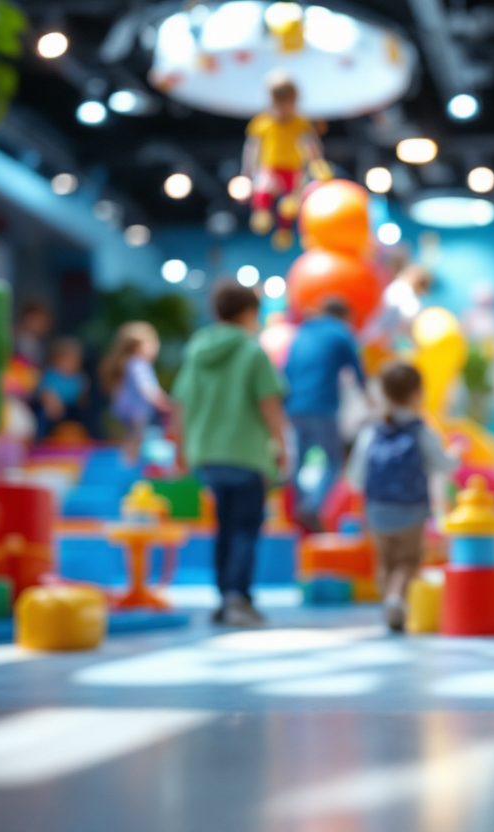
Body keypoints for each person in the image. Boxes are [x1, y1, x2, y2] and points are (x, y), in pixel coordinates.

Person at [172, 281, 288, 627]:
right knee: (246, 528)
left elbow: (180, 402)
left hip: (207, 453)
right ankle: (239, 596)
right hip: (246, 453)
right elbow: (269, 402)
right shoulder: (253, 351)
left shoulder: (197, 350)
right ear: (250, 312)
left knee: (223, 526)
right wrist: (280, 444)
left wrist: (181, 448)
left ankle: (224, 597)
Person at [346, 362, 458, 631]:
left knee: (385, 563)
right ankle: (398, 600)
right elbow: (444, 466)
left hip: (377, 510)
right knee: (408, 561)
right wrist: (456, 455)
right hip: (411, 510)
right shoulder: (421, 430)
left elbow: (355, 478)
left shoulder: (370, 432)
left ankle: (390, 604)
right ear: (416, 394)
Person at [284, 298, 367, 532]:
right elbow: (357, 370)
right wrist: (370, 399)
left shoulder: (302, 333)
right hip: (322, 406)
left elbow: (287, 370)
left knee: (298, 461)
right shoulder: (340, 332)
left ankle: (299, 509)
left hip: (294, 406)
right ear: (343, 316)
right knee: (333, 462)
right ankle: (312, 506)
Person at [242, 70, 331, 251]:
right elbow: (252, 148)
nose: (284, 107)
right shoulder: (262, 122)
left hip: (293, 168)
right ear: (272, 101)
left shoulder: (301, 123)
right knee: (263, 190)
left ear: (294, 101)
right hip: (270, 168)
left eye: (288, 102)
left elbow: (311, 145)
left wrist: (317, 163)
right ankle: (262, 213)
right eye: (279, 102)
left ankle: (286, 230)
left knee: (292, 201)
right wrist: (248, 172)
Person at [100, 322, 168, 465]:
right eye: (152, 342)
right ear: (139, 346)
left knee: (129, 439)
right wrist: (162, 401)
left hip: (125, 409)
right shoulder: (139, 363)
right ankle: (130, 467)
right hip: (136, 410)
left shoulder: (127, 362)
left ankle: (127, 464)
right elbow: (146, 387)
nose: (156, 346)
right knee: (135, 439)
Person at [360, 263, 432, 348]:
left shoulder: (395, 287)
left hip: (373, 334)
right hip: (382, 339)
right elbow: (410, 315)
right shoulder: (403, 290)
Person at [36, 337, 88, 438]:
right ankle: (41, 437)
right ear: (56, 361)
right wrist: (52, 400)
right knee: (44, 414)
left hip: (72, 409)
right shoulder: (51, 374)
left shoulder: (79, 378)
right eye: (66, 361)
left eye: (73, 361)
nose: (69, 365)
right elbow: (46, 391)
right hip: (55, 406)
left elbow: (82, 397)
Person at [14, 299, 52, 368]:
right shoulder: (12, 339)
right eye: (40, 321)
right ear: (28, 318)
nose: (44, 325)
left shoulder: (38, 344)